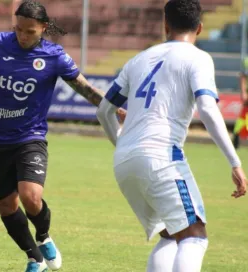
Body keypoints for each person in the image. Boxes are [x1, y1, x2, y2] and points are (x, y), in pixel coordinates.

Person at [0, 1, 125, 271]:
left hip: (31, 137)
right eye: (18, 29)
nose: (22, 35)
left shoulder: (54, 56)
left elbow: (84, 88)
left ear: (43, 28)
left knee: (30, 197)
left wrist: (112, 108)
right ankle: (34, 258)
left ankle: (43, 236)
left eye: (29, 31)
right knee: (6, 205)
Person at [96, 0, 247, 271]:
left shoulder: (138, 59)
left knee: (170, 234)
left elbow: (104, 112)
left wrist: (122, 142)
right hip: (161, 157)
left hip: (124, 161)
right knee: (194, 236)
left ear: (165, 25)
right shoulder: (198, 57)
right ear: (200, 28)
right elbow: (208, 109)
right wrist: (235, 162)